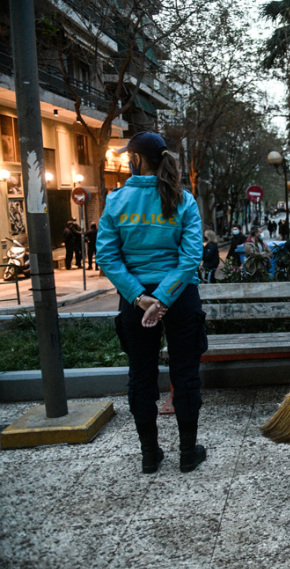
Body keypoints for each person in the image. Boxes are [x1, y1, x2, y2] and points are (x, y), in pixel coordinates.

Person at [96, 130, 208, 474]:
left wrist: (142, 298)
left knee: (140, 376)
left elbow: (107, 256)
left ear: (136, 159)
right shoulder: (183, 200)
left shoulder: (116, 201)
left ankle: (150, 455)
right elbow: (191, 258)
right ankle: (188, 453)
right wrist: (163, 299)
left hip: (135, 302)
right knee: (186, 374)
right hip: (180, 298)